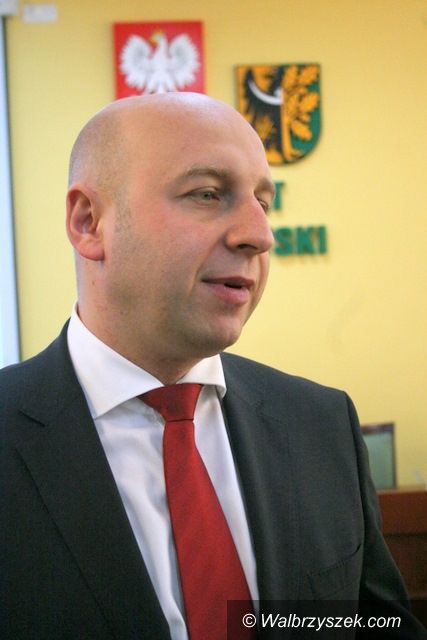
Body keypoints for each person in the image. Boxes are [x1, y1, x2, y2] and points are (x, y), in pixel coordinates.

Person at [0, 93, 425, 640]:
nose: (260, 235)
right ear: (89, 222)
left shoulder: (322, 425)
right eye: (207, 194)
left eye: (263, 202)